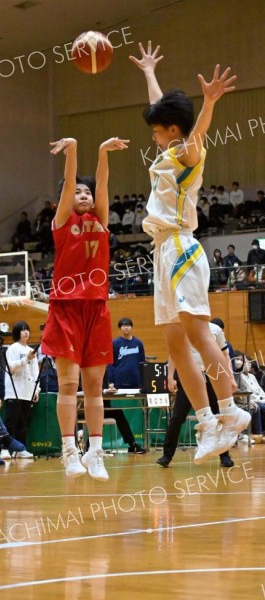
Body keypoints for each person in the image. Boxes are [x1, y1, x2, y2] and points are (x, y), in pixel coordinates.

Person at [129, 41, 250, 464]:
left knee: (199, 334)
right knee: (176, 345)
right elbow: (162, 111)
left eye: (158, 130)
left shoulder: (187, 152)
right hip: (163, 251)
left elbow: (195, 133)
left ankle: (232, 410)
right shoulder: (169, 150)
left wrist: (210, 103)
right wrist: (149, 73)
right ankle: (207, 422)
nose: (154, 135)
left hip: (181, 246)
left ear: (172, 130)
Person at [41, 135, 129, 480]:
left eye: (87, 192)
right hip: (65, 308)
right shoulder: (62, 222)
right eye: (78, 191)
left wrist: (103, 153)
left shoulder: (101, 219)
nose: (84, 195)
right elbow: (67, 189)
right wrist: (74, 149)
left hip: (96, 308)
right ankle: (68, 451)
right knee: (67, 384)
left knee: (94, 385)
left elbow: (103, 185)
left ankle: (95, 452)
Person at [156, 321, 235, 468]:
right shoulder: (183, 328)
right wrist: (170, 377)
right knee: (177, 417)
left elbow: (224, 354)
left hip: (212, 377)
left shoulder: (215, 329)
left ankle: (224, 456)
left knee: (219, 416)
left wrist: (230, 377)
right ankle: (167, 455)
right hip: (189, 378)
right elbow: (175, 353)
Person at [105, 317, 147, 454]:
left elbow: (143, 364)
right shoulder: (115, 343)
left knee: (144, 409)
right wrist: (111, 381)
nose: (126, 328)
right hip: (119, 384)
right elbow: (110, 363)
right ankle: (89, 445)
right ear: (120, 328)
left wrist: (143, 381)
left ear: (131, 327)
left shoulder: (138, 343)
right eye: (123, 325)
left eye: (128, 325)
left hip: (136, 383)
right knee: (108, 411)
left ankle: (137, 443)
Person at [4, 321, 39, 456]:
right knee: (11, 423)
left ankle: (20, 449)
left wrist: (36, 390)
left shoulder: (31, 351)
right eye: (23, 329)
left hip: (27, 392)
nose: (26, 332)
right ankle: (5, 449)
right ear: (17, 332)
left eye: (27, 329)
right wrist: (26, 359)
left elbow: (35, 372)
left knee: (23, 424)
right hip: (14, 392)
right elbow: (11, 368)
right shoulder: (13, 348)